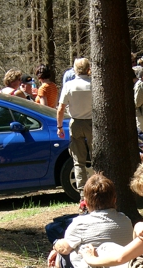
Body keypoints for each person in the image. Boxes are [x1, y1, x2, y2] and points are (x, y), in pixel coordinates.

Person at [0, 173, 134, 268]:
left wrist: (55, 246)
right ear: (114, 199)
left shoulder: (81, 223)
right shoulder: (126, 220)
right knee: (65, 254)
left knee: (54, 267)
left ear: (85, 202)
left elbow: (64, 247)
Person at [57, 58, 92, 209]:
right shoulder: (93, 85)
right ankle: (98, 190)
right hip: (92, 123)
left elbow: (60, 108)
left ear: (74, 70)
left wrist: (59, 126)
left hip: (76, 122)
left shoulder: (69, 85)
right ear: (88, 69)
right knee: (97, 157)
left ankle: (83, 196)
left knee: (78, 160)